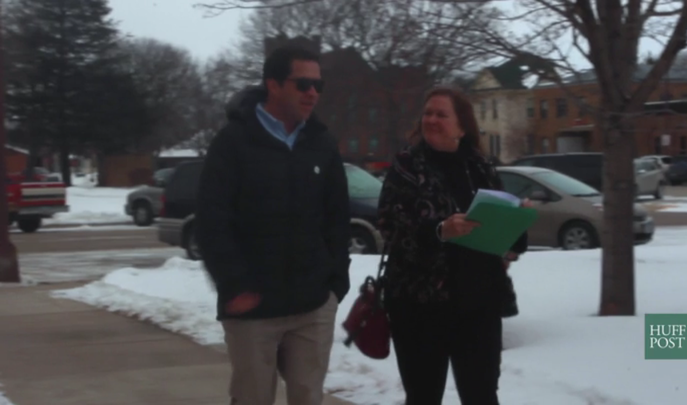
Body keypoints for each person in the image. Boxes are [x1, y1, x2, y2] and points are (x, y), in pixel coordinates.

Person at [194, 45, 351, 405]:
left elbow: (337, 219)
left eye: (318, 85)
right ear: (273, 85)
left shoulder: (322, 144)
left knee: (308, 397)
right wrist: (235, 286)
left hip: (311, 304)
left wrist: (334, 284)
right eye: (303, 83)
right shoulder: (233, 142)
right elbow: (212, 221)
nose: (312, 92)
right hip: (253, 308)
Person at [376, 86, 529, 405]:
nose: (431, 119)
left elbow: (502, 236)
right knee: (423, 397)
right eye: (427, 113)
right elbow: (389, 225)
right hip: (420, 306)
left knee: (482, 395)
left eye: (441, 114)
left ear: (461, 126)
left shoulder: (480, 166)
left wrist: (515, 227)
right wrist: (439, 231)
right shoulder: (407, 166)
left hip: (478, 304)